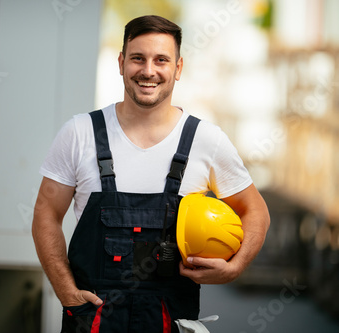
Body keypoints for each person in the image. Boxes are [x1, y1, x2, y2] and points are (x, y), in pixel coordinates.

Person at [32, 15, 270, 333]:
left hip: (169, 321)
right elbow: (46, 213)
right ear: (121, 63)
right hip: (93, 320)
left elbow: (255, 210)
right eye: (137, 58)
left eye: (161, 60)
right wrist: (66, 292)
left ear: (179, 68)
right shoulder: (80, 133)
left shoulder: (206, 140)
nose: (148, 71)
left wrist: (234, 268)